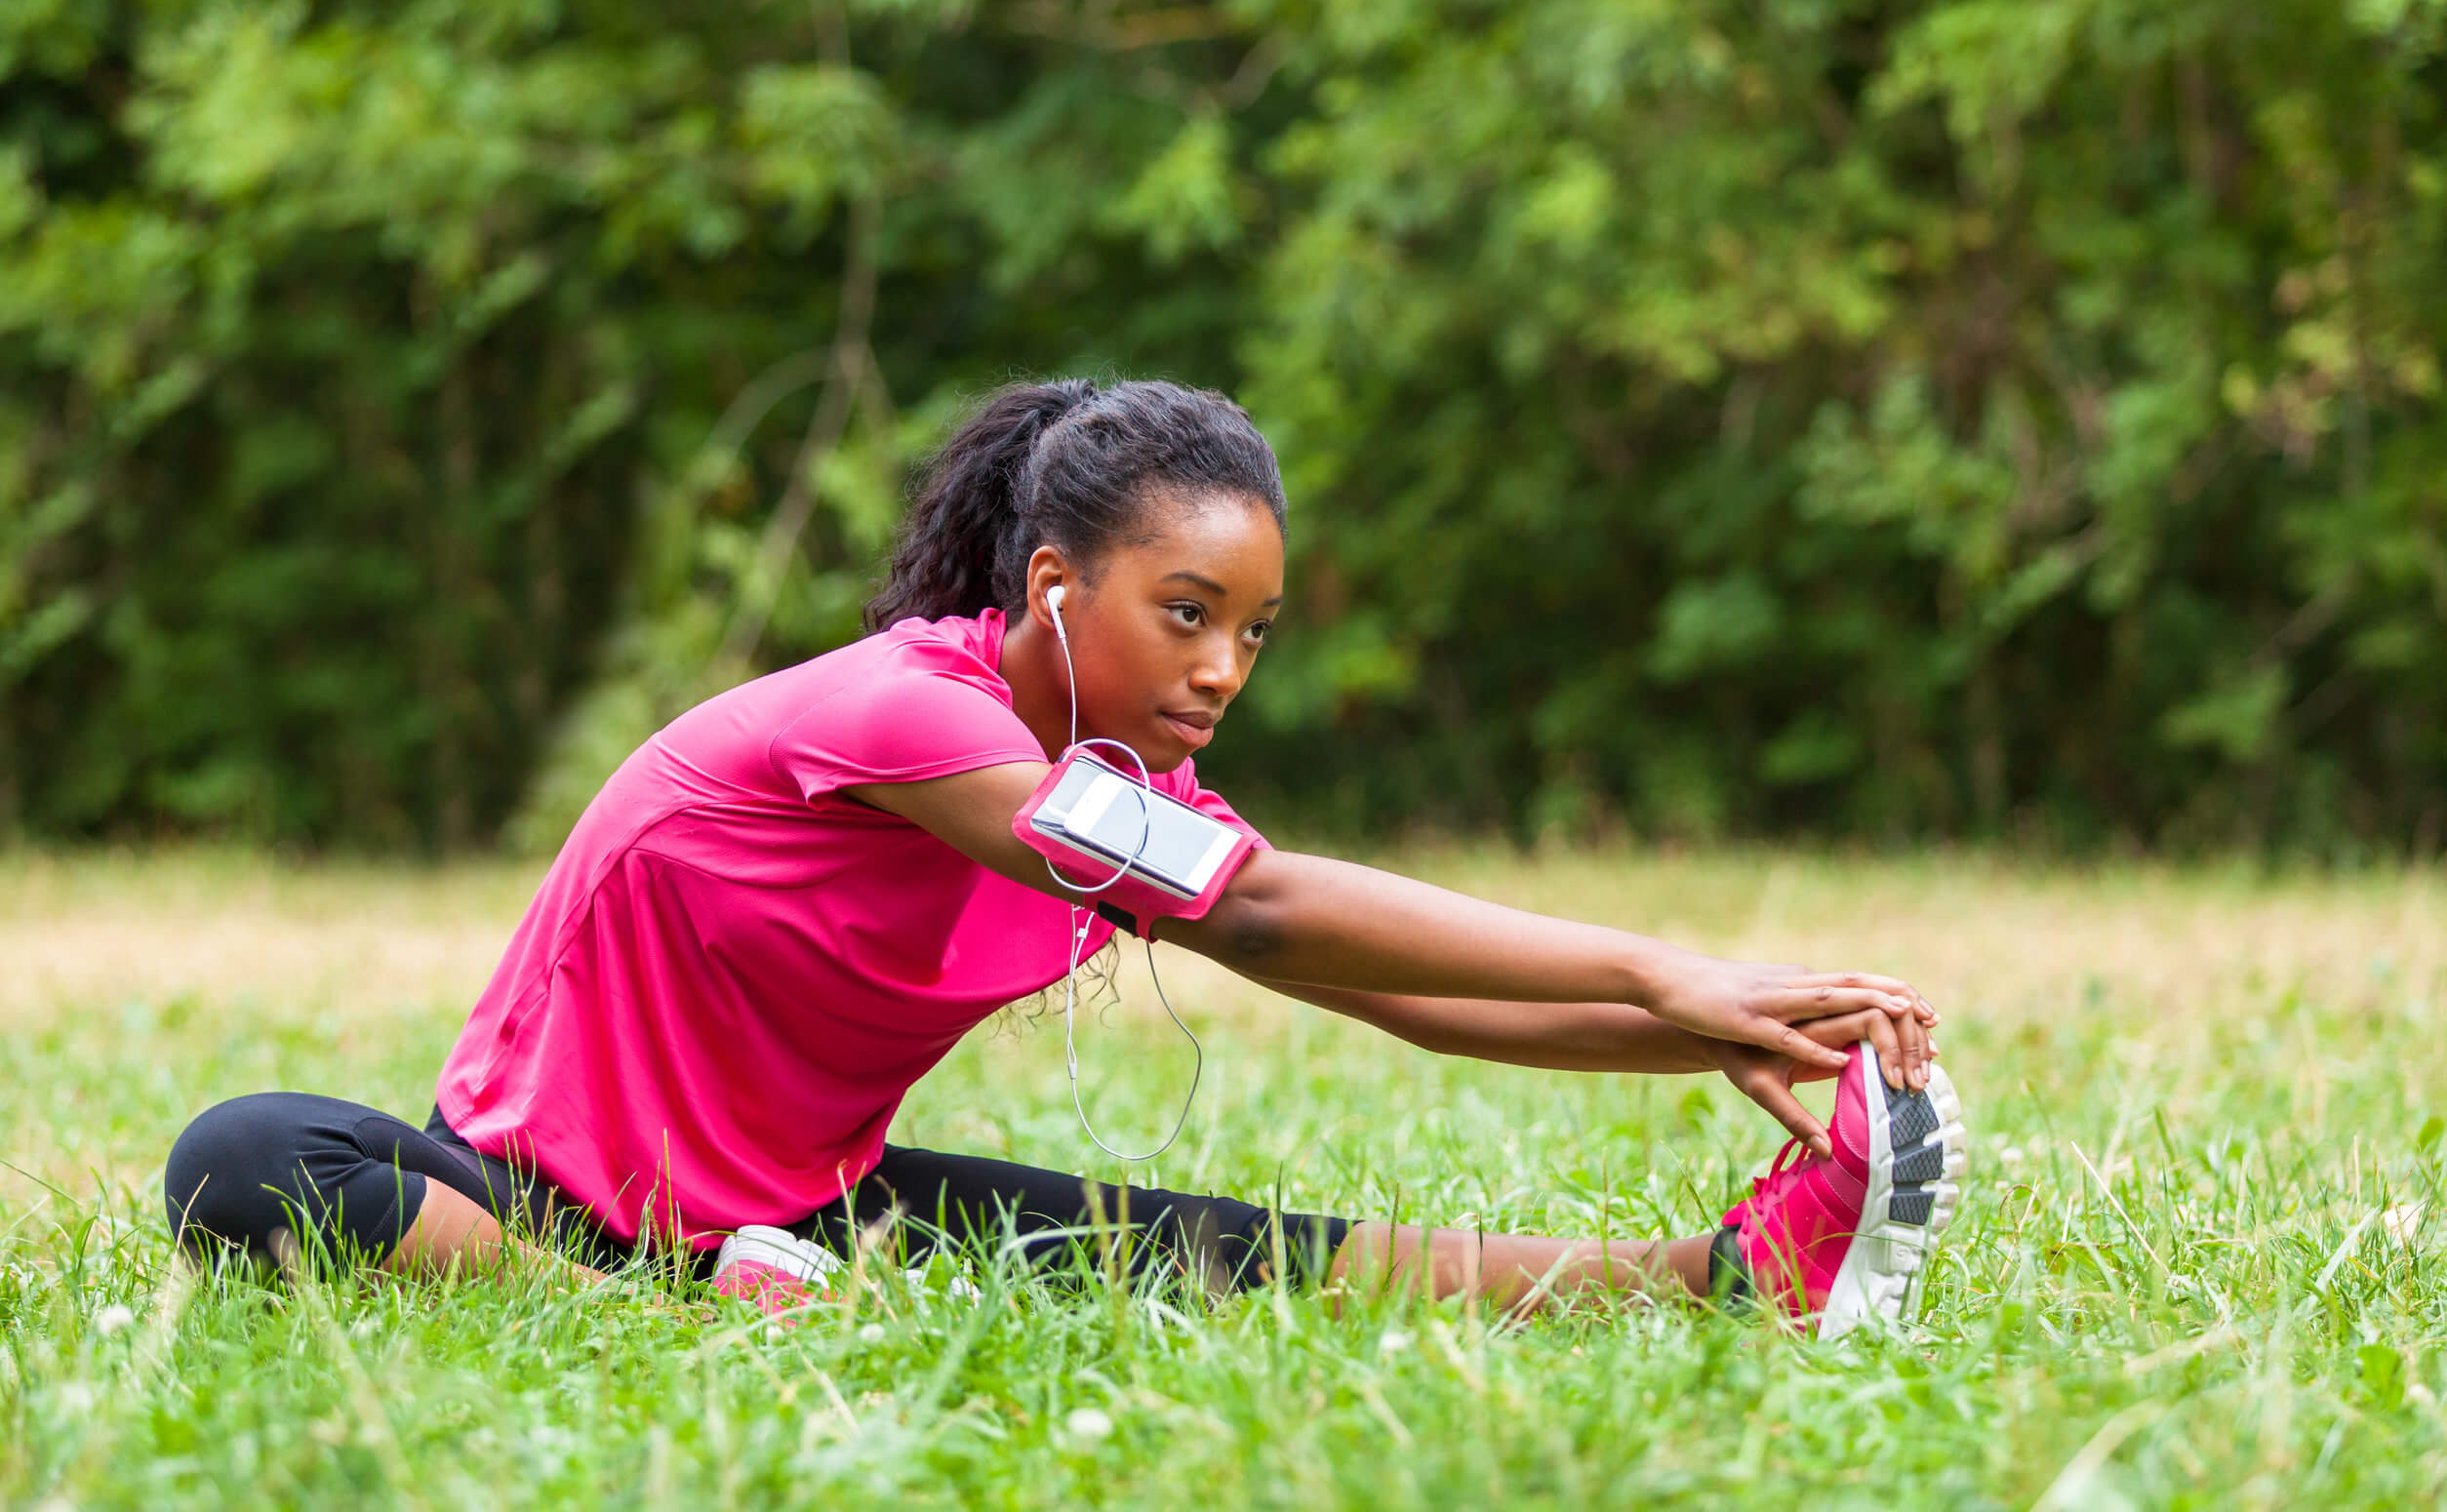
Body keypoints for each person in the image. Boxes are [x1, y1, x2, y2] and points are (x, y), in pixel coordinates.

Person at [165, 378, 1968, 1336]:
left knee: (1205, 1246)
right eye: (1185, 613)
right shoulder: (912, 720)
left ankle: (1723, 1282)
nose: (1220, 669)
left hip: (802, 1222)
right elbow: (1258, 902)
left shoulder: (1118, 793)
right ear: (1052, 586)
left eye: (1251, 633)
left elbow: (1387, 987)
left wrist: (1738, 1037)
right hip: (532, 1196)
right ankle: (643, 1319)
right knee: (242, 1155)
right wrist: (1669, 964)